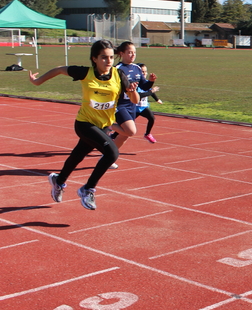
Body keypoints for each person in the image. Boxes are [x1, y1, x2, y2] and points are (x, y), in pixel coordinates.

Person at [29, 39, 139, 210]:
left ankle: (58, 180)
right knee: (112, 153)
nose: (108, 61)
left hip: (103, 125)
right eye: (104, 57)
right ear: (94, 59)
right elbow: (59, 69)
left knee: (78, 155)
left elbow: (134, 100)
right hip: (85, 124)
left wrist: (132, 93)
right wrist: (37, 82)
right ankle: (88, 189)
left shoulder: (119, 75)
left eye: (110, 57)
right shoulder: (84, 73)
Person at [111, 42, 155, 166]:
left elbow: (143, 85)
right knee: (130, 131)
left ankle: (108, 157)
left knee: (123, 136)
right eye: (129, 52)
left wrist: (150, 82)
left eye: (134, 53)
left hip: (132, 105)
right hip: (120, 105)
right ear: (122, 53)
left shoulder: (136, 68)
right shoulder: (117, 69)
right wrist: (127, 88)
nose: (132, 55)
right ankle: (108, 125)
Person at [134, 62, 161, 143]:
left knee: (151, 118)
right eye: (142, 72)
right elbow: (139, 96)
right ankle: (114, 135)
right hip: (134, 108)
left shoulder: (146, 83)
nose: (144, 73)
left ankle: (147, 134)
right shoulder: (135, 84)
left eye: (145, 71)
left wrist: (157, 99)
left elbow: (150, 91)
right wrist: (152, 91)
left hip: (143, 107)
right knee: (127, 125)